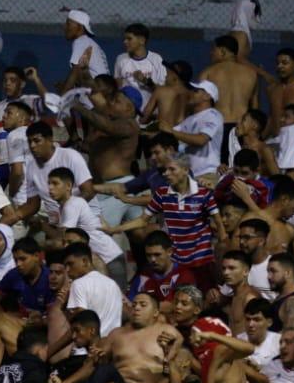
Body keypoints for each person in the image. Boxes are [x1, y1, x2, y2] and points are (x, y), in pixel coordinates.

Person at [112, 152, 223, 292]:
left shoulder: (203, 192)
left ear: (185, 170)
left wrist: (222, 246)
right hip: (177, 263)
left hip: (202, 262)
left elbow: (219, 223)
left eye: (172, 169)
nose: (166, 173)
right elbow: (142, 220)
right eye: (165, 170)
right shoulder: (162, 193)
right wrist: (115, 229)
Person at [66, 74, 141, 231]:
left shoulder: (130, 125)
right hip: (108, 188)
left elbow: (108, 127)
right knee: (139, 235)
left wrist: (77, 106)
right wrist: (84, 73)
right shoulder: (113, 115)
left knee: (95, 232)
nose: (111, 103)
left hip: (117, 188)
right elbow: (95, 94)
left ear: (129, 108)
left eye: (117, 101)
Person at [46, 167, 125, 286]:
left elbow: (62, 241)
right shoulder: (65, 207)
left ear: (68, 186)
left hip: (110, 259)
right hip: (101, 260)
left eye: (55, 183)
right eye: (49, 184)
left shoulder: (72, 205)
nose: (50, 188)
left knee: (116, 297)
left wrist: (40, 244)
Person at [13, 121, 94, 220]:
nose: (32, 145)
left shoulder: (70, 156)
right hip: (56, 221)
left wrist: (67, 212)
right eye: (29, 142)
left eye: (37, 141)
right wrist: (12, 217)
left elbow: (88, 191)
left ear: (50, 139)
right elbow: (33, 204)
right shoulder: (31, 167)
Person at [199, 34, 260, 156]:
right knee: (240, 165)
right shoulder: (251, 73)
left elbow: (201, 106)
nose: (211, 53)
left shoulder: (208, 73)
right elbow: (255, 108)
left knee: (218, 165)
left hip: (218, 127)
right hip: (242, 128)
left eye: (213, 49)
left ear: (222, 51)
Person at [159, 78, 223, 177]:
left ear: (207, 96)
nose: (191, 93)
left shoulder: (213, 115)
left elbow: (201, 140)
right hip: (190, 175)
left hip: (208, 173)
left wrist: (171, 132)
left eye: (196, 91)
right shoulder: (189, 119)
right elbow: (168, 133)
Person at [113, 22, 166, 112]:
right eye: (124, 39)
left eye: (129, 39)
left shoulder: (156, 59)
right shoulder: (121, 59)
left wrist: (145, 81)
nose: (125, 42)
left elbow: (163, 91)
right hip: (127, 113)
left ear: (142, 40)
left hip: (150, 112)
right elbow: (118, 86)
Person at [59, 8, 108, 92]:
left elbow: (75, 71)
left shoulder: (80, 41)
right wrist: (65, 85)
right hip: (103, 89)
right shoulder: (88, 41)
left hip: (96, 91)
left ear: (80, 27)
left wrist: (62, 96)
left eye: (68, 24)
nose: (65, 27)